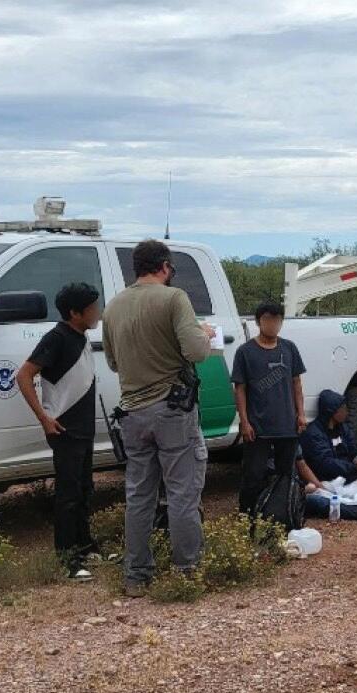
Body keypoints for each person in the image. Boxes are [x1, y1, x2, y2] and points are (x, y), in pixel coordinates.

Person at [102, 240, 215, 597]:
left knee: (139, 495)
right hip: (172, 410)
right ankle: (187, 571)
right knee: (182, 492)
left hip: (132, 412)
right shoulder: (174, 298)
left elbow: (113, 362)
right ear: (165, 266)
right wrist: (205, 334)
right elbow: (196, 351)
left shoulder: (113, 306)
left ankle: (136, 576)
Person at [16, 282, 105, 581]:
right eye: (92, 308)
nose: (97, 312)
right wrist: (44, 418)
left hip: (84, 428)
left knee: (84, 489)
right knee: (68, 495)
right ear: (74, 313)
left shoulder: (81, 336)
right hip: (64, 428)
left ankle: (85, 546)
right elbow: (24, 375)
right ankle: (68, 558)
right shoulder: (56, 338)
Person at [231, 301, 307, 516]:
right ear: (258, 322)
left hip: (287, 425)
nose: (272, 324)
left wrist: (301, 414)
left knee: (285, 475)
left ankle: (282, 516)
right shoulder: (245, 352)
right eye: (267, 319)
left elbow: (297, 383)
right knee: (253, 475)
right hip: (258, 428)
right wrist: (244, 421)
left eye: (277, 320)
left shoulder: (289, 348)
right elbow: (240, 389)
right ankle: (247, 517)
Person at [301, 390, 357, 496]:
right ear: (332, 412)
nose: (346, 412)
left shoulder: (342, 427)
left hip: (348, 474)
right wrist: (355, 468)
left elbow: (353, 450)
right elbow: (326, 464)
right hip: (331, 480)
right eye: (343, 409)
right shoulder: (313, 433)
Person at [297, 451, 357, 524]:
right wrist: (302, 490)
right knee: (323, 503)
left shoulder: (295, 443)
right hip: (296, 496)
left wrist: (320, 488)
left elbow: (302, 465)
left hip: (310, 486)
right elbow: (325, 462)